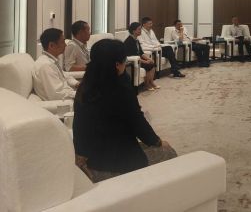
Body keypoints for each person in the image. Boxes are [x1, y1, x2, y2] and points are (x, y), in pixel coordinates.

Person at [72, 38, 177, 183]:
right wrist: (158, 142)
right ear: (117, 65)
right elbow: (137, 122)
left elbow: (78, 125)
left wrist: (80, 155)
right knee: (169, 152)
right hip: (121, 162)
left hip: (92, 161)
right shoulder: (120, 89)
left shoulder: (84, 87)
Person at [33, 28, 78, 101]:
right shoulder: (46, 66)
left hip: (69, 95)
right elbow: (57, 94)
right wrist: (80, 94)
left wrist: (77, 84)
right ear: (51, 45)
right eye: (62, 42)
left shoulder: (51, 60)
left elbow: (64, 75)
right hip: (64, 102)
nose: (65, 45)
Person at [124, 22, 161, 90]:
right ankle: (147, 84)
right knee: (149, 66)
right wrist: (145, 62)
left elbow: (141, 53)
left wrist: (149, 59)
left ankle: (151, 82)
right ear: (134, 31)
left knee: (152, 64)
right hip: (132, 62)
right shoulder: (129, 41)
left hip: (138, 59)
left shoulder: (136, 40)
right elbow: (133, 56)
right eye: (139, 29)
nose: (140, 31)